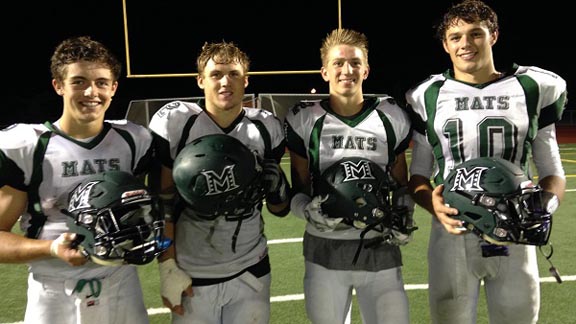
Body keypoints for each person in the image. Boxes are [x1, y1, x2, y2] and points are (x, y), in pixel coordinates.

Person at [405, 1, 567, 323]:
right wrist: (431, 204)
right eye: (455, 37)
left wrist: (542, 208)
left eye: (475, 33)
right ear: (445, 44)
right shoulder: (427, 95)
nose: (465, 43)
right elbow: (419, 174)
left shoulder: (533, 87)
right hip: (452, 233)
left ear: (492, 35)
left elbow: (552, 171)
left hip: (514, 233)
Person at [0, 36, 155, 324]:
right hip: (54, 290)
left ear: (114, 87)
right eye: (79, 81)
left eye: (101, 82)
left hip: (121, 283)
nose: (91, 91)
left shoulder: (134, 140)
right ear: (58, 85)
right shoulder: (28, 146)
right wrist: (50, 248)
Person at [148, 41, 290, 323]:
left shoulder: (265, 127)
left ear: (245, 80)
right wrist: (167, 266)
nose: (226, 82)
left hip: (252, 268)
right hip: (193, 272)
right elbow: (161, 203)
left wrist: (277, 192)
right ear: (201, 81)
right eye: (216, 75)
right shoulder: (178, 123)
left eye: (234, 74)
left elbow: (280, 210)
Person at [284, 28, 414, 324]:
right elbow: (299, 189)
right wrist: (306, 211)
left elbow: (401, 184)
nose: (347, 70)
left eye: (355, 63)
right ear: (325, 71)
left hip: (379, 246)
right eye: (338, 63)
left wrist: (404, 214)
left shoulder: (389, 115)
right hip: (324, 247)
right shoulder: (305, 119)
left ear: (366, 70)